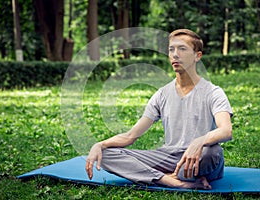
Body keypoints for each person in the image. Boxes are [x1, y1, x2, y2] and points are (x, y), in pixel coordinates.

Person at [85, 29, 233, 189]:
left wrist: (199, 141)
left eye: (182, 49)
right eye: (171, 50)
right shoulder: (162, 94)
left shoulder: (213, 92)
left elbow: (226, 131)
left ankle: (175, 175)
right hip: (168, 157)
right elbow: (130, 136)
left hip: (201, 155)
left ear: (198, 56)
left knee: (212, 152)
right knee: (107, 155)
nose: (175, 54)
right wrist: (99, 144)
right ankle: (173, 180)